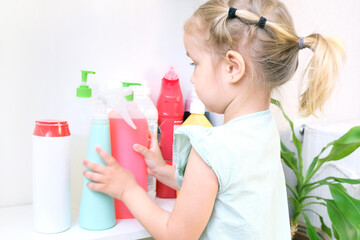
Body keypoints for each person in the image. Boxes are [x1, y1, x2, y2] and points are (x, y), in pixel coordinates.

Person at [83, 0, 344, 239]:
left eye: (194, 63)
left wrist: (127, 189)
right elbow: (223, 188)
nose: (193, 78)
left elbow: (177, 234)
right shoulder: (264, 130)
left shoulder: (212, 147)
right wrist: (162, 170)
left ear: (232, 68)